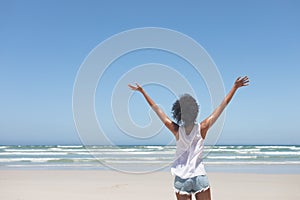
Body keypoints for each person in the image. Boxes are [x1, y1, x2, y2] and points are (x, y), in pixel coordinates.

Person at [128, 76, 249, 200]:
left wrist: (143, 92)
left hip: (181, 178)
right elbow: (221, 107)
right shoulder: (203, 128)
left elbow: (157, 110)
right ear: (195, 111)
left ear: (178, 114)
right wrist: (235, 87)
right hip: (199, 176)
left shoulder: (176, 130)